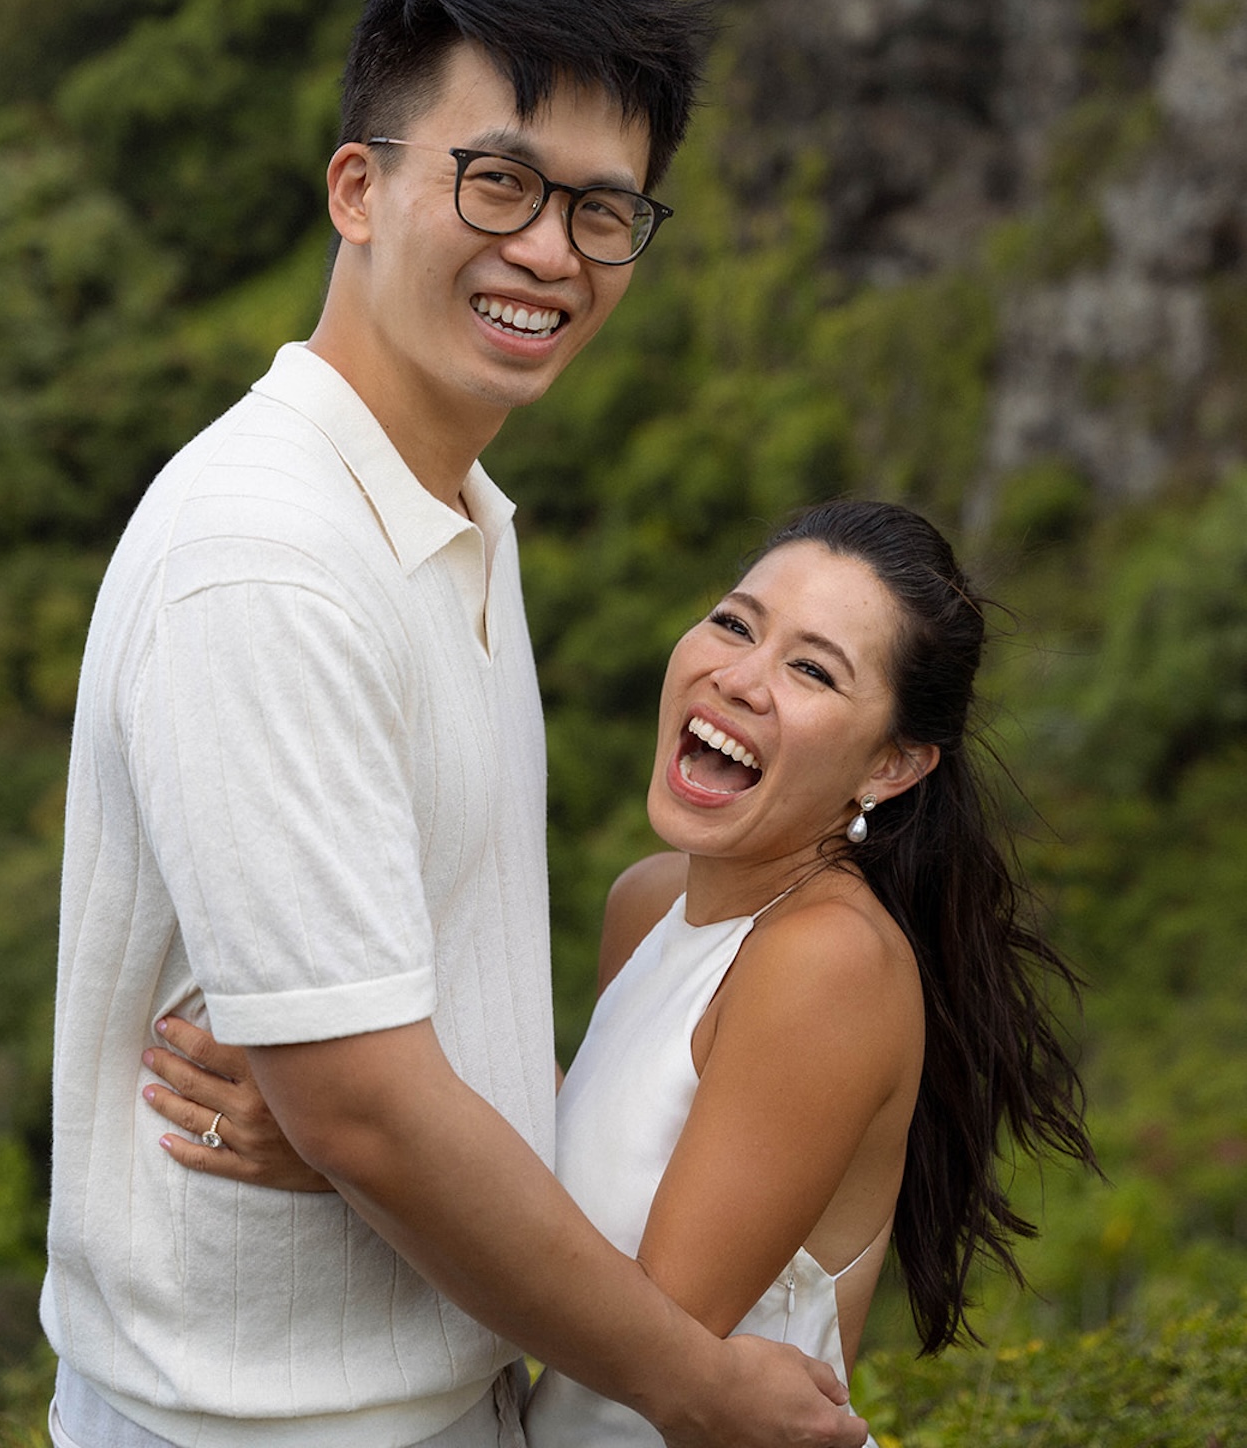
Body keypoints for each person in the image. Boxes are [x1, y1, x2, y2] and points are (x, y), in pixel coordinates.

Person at [42, 0, 870, 1448]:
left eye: (602, 212)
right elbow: (365, 1101)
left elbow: (373, 1090)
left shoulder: (454, 521)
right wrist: (698, 1388)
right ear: (359, 189)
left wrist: (382, 1134)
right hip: (264, 1421)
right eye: (499, 182)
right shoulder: (271, 559)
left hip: (416, 1389)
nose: (551, 252)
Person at [139, 499, 1098, 1447]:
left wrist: (344, 1150)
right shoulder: (650, 901)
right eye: (735, 625)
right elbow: (569, 1153)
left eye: (811, 670)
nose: (741, 679)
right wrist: (353, 1080)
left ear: (892, 765)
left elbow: (645, 1340)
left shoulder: (828, 960)